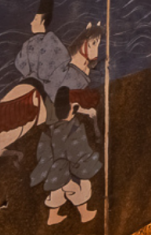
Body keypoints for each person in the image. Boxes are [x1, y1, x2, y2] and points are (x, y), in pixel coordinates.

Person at [29, 87, 100, 225]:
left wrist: (48, 167)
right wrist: (89, 159)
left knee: (57, 193)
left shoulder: (51, 130)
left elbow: (44, 151)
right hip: (70, 171)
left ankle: (52, 216)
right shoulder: (73, 129)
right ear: (71, 111)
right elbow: (78, 150)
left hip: (55, 171)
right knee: (80, 189)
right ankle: (84, 214)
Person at [13, 0, 70, 100]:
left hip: (46, 91)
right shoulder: (28, 43)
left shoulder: (53, 42)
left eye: (35, 19)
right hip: (27, 85)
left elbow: (62, 65)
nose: (31, 23)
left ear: (42, 21)